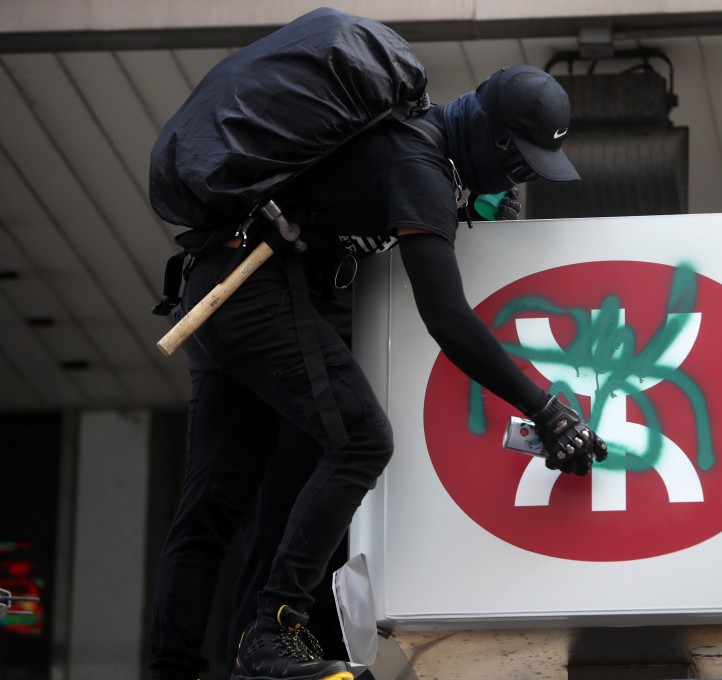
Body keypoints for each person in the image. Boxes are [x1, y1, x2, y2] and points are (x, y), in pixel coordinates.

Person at [147, 63, 609, 680]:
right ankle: (272, 635)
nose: (518, 176)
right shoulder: (420, 163)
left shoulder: (407, 140)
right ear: (492, 140)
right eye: (520, 162)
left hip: (216, 287)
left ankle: (169, 669)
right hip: (255, 297)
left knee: (211, 509)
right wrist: (546, 409)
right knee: (362, 440)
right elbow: (447, 317)